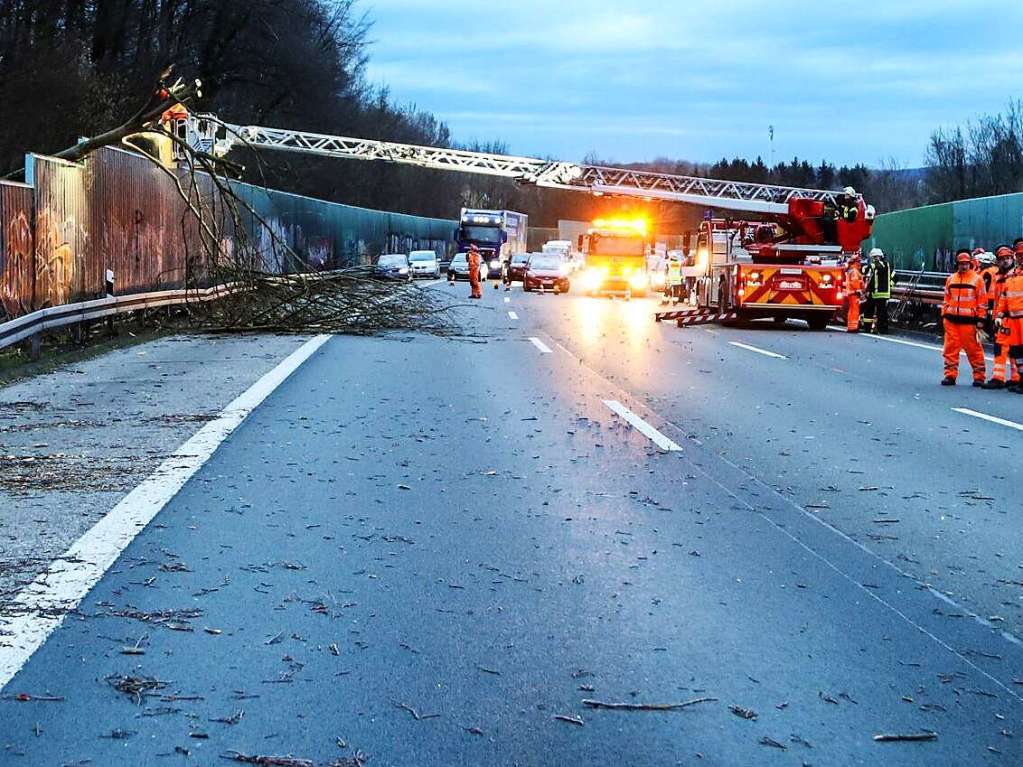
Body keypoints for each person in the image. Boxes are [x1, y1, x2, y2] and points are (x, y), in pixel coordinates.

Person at [941, 249, 988, 386]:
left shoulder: (977, 279)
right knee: (950, 350)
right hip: (951, 321)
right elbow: (946, 298)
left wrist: (980, 320)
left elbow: (982, 302)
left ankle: (979, 377)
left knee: (974, 350)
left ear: (970, 263)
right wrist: (945, 315)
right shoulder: (951, 279)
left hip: (969, 322)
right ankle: (950, 376)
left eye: (966, 263)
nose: (964, 266)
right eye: (961, 263)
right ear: (957, 264)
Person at [982, 245, 1020, 389]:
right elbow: (995, 298)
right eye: (1002, 259)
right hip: (1002, 317)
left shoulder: (1015, 275)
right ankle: (1000, 377)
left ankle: (1015, 378)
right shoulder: (997, 276)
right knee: (1000, 347)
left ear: (1012, 258)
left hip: (1014, 318)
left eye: (1007, 258)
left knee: (1015, 349)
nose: (1005, 261)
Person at [995, 241, 1023, 393]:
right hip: (1013, 321)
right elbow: (1004, 297)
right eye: (1019, 255)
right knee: (1017, 352)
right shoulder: (1011, 276)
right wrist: (1000, 314)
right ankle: (1021, 380)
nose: (1021, 258)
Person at [863, 248, 892, 334]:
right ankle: (868, 328)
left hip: (880, 294)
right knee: (869, 310)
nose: (874, 259)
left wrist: (889, 285)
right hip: (874, 293)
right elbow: (872, 280)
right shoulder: (878, 266)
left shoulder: (883, 265)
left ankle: (882, 329)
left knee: (881, 312)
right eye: (873, 257)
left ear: (880, 256)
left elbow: (869, 268)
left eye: (876, 257)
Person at [844, 254, 864, 332]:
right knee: (855, 310)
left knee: (851, 309)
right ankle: (854, 327)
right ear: (855, 262)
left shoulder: (851, 270)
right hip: (854, 292)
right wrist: (860, 290)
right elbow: (855, 281)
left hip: (851, 292)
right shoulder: (854, 271)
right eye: (859, 261)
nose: (860, 263)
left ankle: (850, 326)